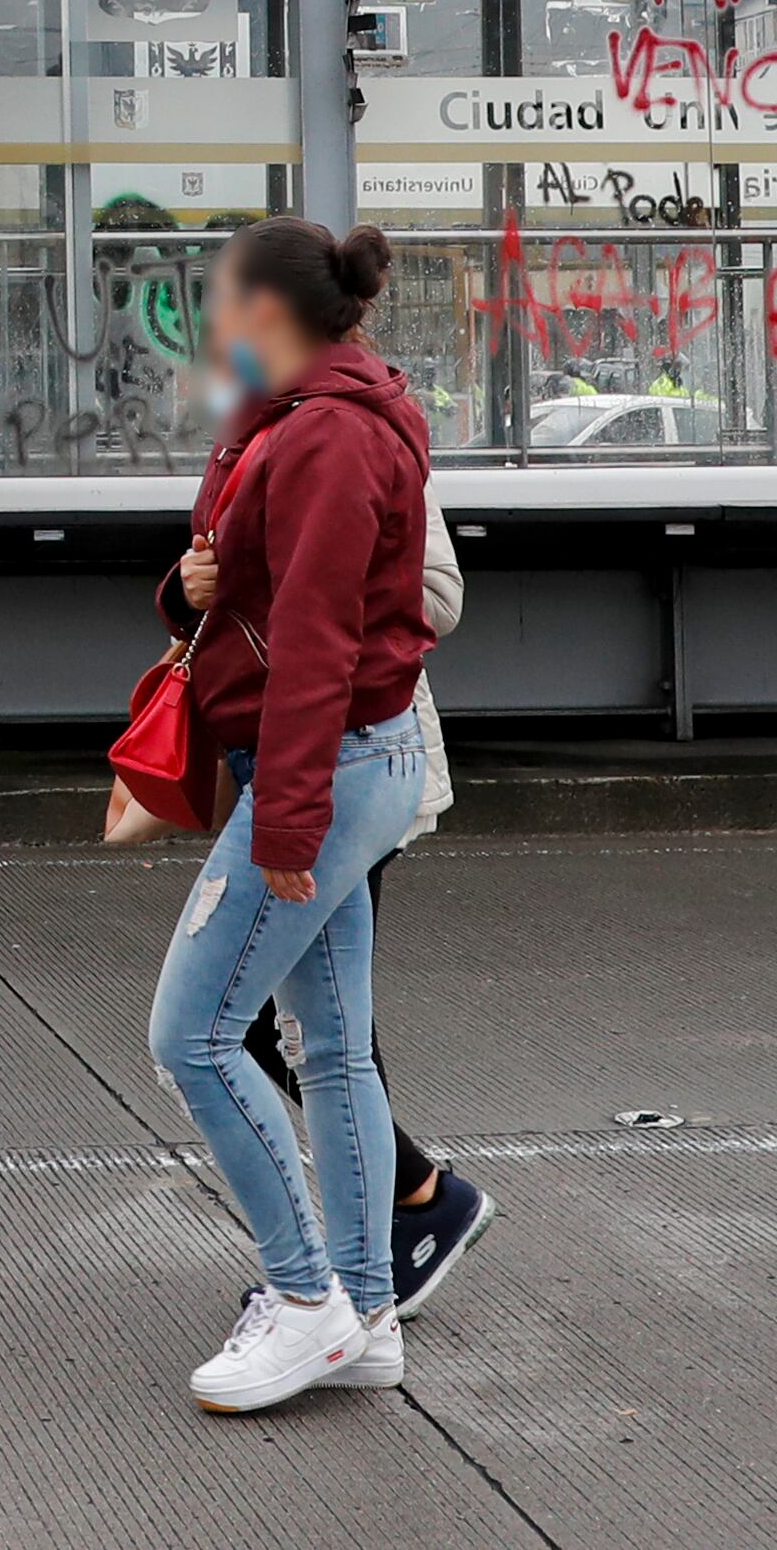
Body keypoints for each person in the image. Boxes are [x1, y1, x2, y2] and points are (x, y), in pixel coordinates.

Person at [143, 214, 435, 1413]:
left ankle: (306, 1298)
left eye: (222, 299)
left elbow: (317, 644)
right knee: (334, 1045)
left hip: (322, 766)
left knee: (193, 1036)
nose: (212, 322)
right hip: (344, 762)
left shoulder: (323, 436)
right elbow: (236, 581)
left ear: (267, 309)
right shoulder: (299, 415)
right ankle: (364, 1312)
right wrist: (185, 589)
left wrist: (287, 829)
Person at [239, 501, 498, 1325]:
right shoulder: (252, 447)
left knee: (279, 1019)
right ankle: (405, 1207)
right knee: (300, 1017)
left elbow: (438, 596)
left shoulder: (363, 441)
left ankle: (400, 1219)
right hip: (282, 767)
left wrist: (308, 587)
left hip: (358, 765)